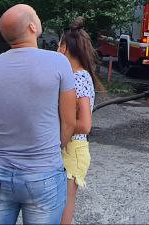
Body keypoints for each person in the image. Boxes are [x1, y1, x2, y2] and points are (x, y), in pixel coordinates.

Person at [0, 4, 77, 225]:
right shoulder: (58, 62)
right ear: (32, 26)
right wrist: (51, 148)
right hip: (43, 174)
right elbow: (69, 122)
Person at [57, 18, 99, 225]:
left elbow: (84, 124)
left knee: (64, 209)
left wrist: (58, 132)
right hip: (69, 147)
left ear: (64, 48)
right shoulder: (72, 76)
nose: (56, 50)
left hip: (73, 149)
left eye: (58, 46)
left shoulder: (79, 77)